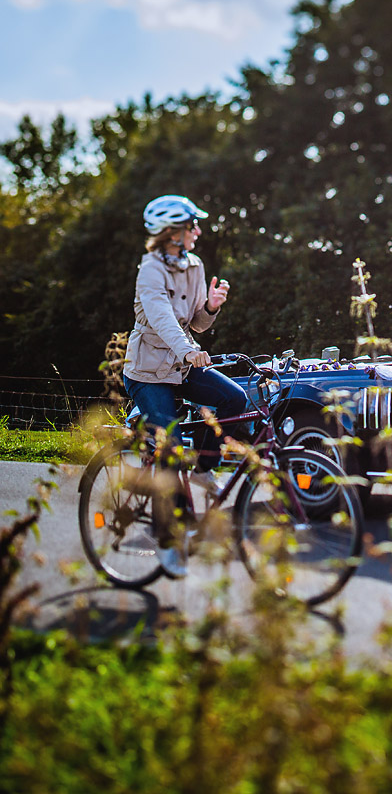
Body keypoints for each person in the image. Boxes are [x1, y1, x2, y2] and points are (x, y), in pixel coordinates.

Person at [123, 194, 250, 578]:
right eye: (193, 225)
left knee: (235, 398)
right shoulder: (149, 270)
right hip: (147, 370)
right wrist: (188, 350)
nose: (199, 230)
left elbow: (194, 324)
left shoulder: (194, 265)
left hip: (182, 362)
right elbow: (161, 318)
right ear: (174, 233)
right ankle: (168, 541)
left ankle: (204, 469)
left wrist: (210, 307)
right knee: (172, 449)